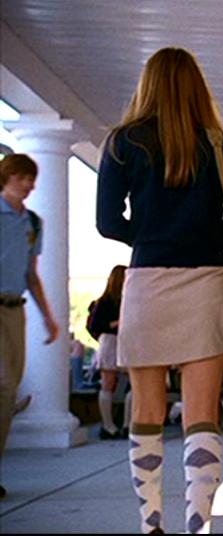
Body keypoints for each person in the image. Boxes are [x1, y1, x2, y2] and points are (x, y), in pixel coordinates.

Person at [97, 47, 223, 534]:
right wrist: (204, 239)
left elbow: (107, 222)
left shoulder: (123, 143)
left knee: (147, 410)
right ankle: (198, 525)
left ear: (147, 84)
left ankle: (151, 524)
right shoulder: (218, 143)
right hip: (207, 282)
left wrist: (150, 238)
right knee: (202, 414)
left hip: (147, 282)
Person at [0, 153, 60, 500]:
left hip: (14, 310)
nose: (29, 184)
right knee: (5, 384)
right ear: (7, 177)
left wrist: (48, 317)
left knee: (9, 391)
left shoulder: (33, 223)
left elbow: (31, 275)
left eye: (31, 178)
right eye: (22, 177)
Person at [89, 265, 129, 440]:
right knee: (110, 383)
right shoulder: (106, 302)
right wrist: (115, 323)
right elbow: (96, 326)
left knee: (119, 383)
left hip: (118, 341)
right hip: (113, 340)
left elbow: (93, 327)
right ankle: (111, 425)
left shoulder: (121, 301)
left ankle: (119, 425)